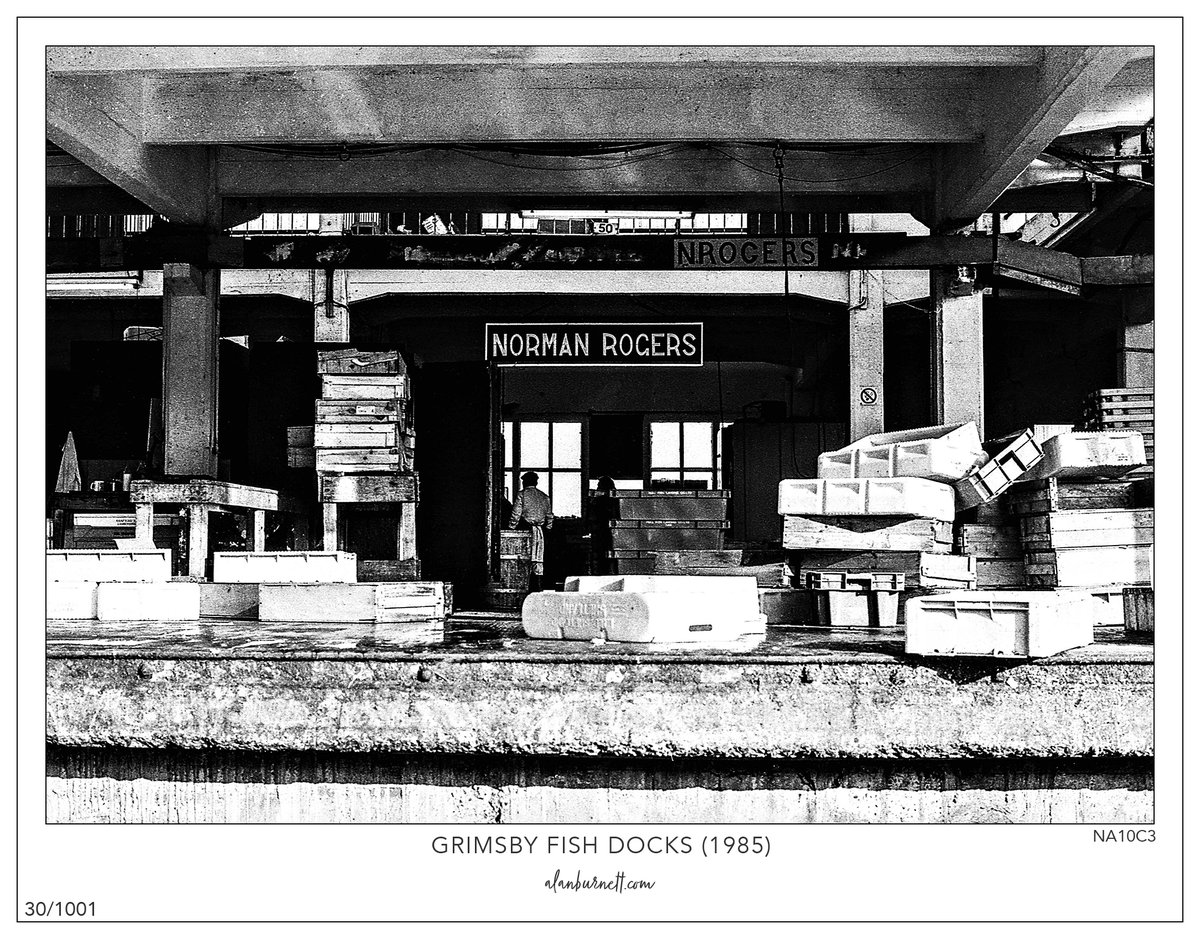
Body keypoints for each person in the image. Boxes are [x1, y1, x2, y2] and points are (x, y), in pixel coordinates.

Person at [510, 471, 554, 591]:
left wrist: (511, 528)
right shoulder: (544, 497)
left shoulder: (522, 494)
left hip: (526, 531)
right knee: (538, 560)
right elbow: (549, 516)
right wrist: (548, 529)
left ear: (524, 482)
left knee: (524, 560)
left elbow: (516, 513)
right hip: (541, 532)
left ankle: (527, 589)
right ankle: (538, 589)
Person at [586, 476, 620, 574]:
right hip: (610, 531)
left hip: (601, 530)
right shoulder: (614, 498)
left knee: (600, 555)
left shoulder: (598, 500)